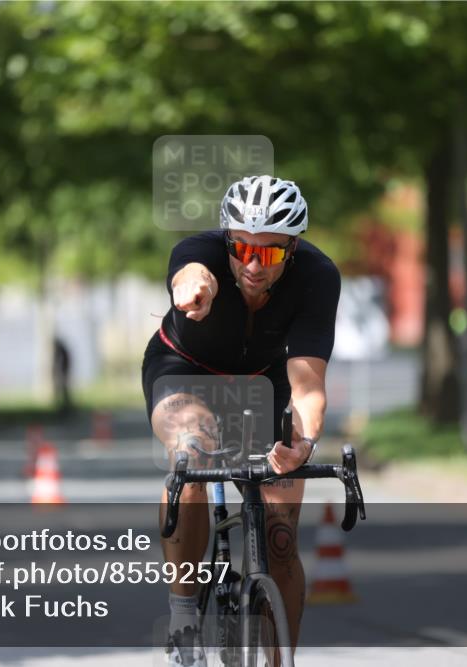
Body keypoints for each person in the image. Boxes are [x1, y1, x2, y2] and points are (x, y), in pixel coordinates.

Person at [142, 175, 340, 665]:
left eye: (269, 254)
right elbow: (191, 273)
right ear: (226, 238)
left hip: (263, 379)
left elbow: (308, 382)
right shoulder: (202, 253)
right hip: (184, 370)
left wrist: (305, 443)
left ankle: (280, 660)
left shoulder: (317, 276)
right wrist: (193, 285)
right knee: (195, 447)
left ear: (292, 249)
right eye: (241, 248)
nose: (252, 264)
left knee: (280, 534)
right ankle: (184, 613)